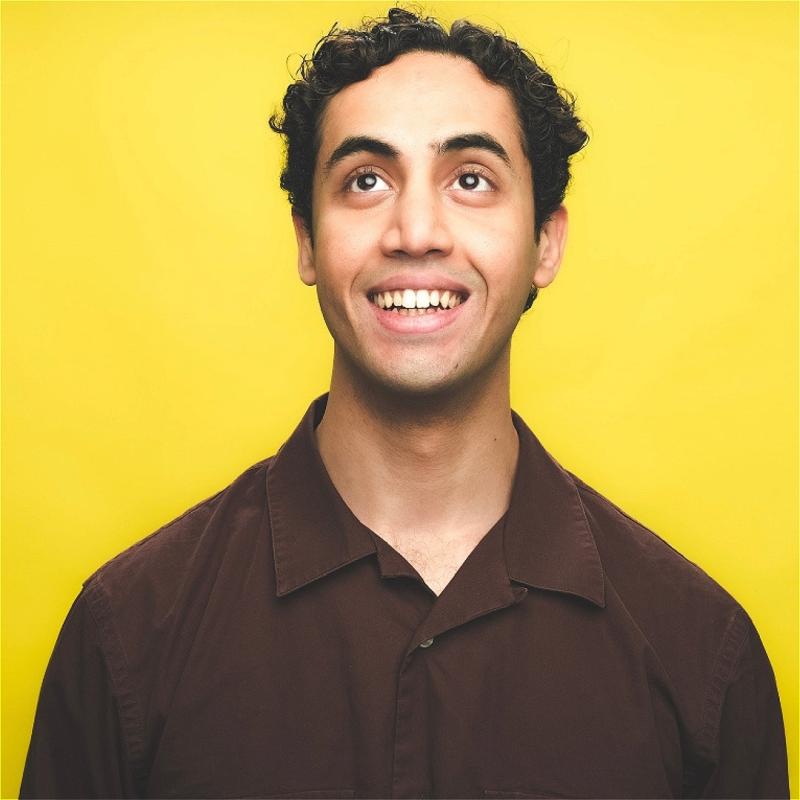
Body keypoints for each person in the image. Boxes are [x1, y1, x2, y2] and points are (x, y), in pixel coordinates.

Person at [20, 7, 789, 799]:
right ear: (308, 243)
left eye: (470, 179)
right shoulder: (127, 635)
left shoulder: (703, 656)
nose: (416, 230)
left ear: (545, 243)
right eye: (365, 180)